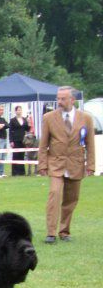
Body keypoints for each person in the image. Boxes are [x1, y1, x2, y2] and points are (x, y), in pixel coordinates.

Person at [38, 86, 96, 243]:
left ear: (72, 100)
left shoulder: (86, 118)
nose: (59, 101)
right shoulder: (49, 117)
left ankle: (64, 231)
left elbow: (90, 144)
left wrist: (90, 165)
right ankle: (51, 233)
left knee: (71, 200)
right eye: (58, 98)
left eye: (63, 98)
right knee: (54, 195)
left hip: (76, 164)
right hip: (56, 164)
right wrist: (42, 164)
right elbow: (43, 144)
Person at [8, 106, 30, 177]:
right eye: (18, 110)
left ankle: (21, 171)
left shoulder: (24, 119)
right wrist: (11, 141)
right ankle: (15, 172)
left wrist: (29, 124)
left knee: (22, 155)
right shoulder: (12, 120)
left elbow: (27, 129)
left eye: (20, 110)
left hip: (23, 140)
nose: (19, 111)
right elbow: (10, 131)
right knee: (15, 155)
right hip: (15, 140)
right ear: (15, 111)